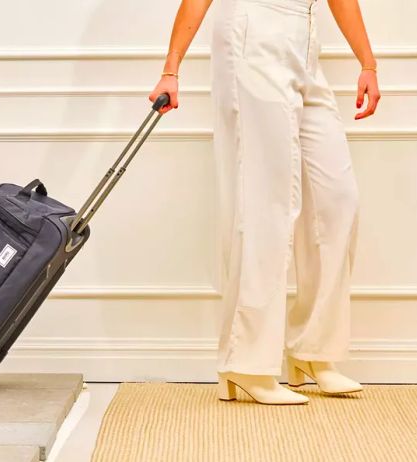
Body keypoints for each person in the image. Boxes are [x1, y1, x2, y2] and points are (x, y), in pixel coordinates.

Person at [149, 0, 380, 405]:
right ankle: (246, 363)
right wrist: (172, 69)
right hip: (251, 32)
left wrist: (368, 63)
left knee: (337, 200)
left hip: (305, 39)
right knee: (266, 200)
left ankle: (313, 351)